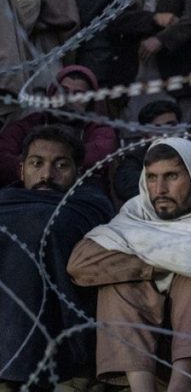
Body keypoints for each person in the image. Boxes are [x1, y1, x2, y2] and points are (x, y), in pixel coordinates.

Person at [67, 138, 191, 391]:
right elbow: (80, 263)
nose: (159, 189)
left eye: (172, 176)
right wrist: (164, 263)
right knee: (119, 283)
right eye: (151, 177)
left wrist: (162, 258)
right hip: (156, 362)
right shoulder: (136, 213)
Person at [0, 126, 114, 389]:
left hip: (62, 348)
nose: (46, 175)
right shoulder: (6, 200)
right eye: (36, 163)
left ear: (78, 172)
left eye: (60, 165)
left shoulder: (87, 205)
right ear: (21, 170)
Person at [0, 64, 118, 187]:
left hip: (80, 192)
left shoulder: (99, 130)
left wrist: (36, 163)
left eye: (78, 94)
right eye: (63, 91)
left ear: (90, 102)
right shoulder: (31, 123)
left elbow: (99, 154)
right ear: (52, 94)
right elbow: (3, 156)